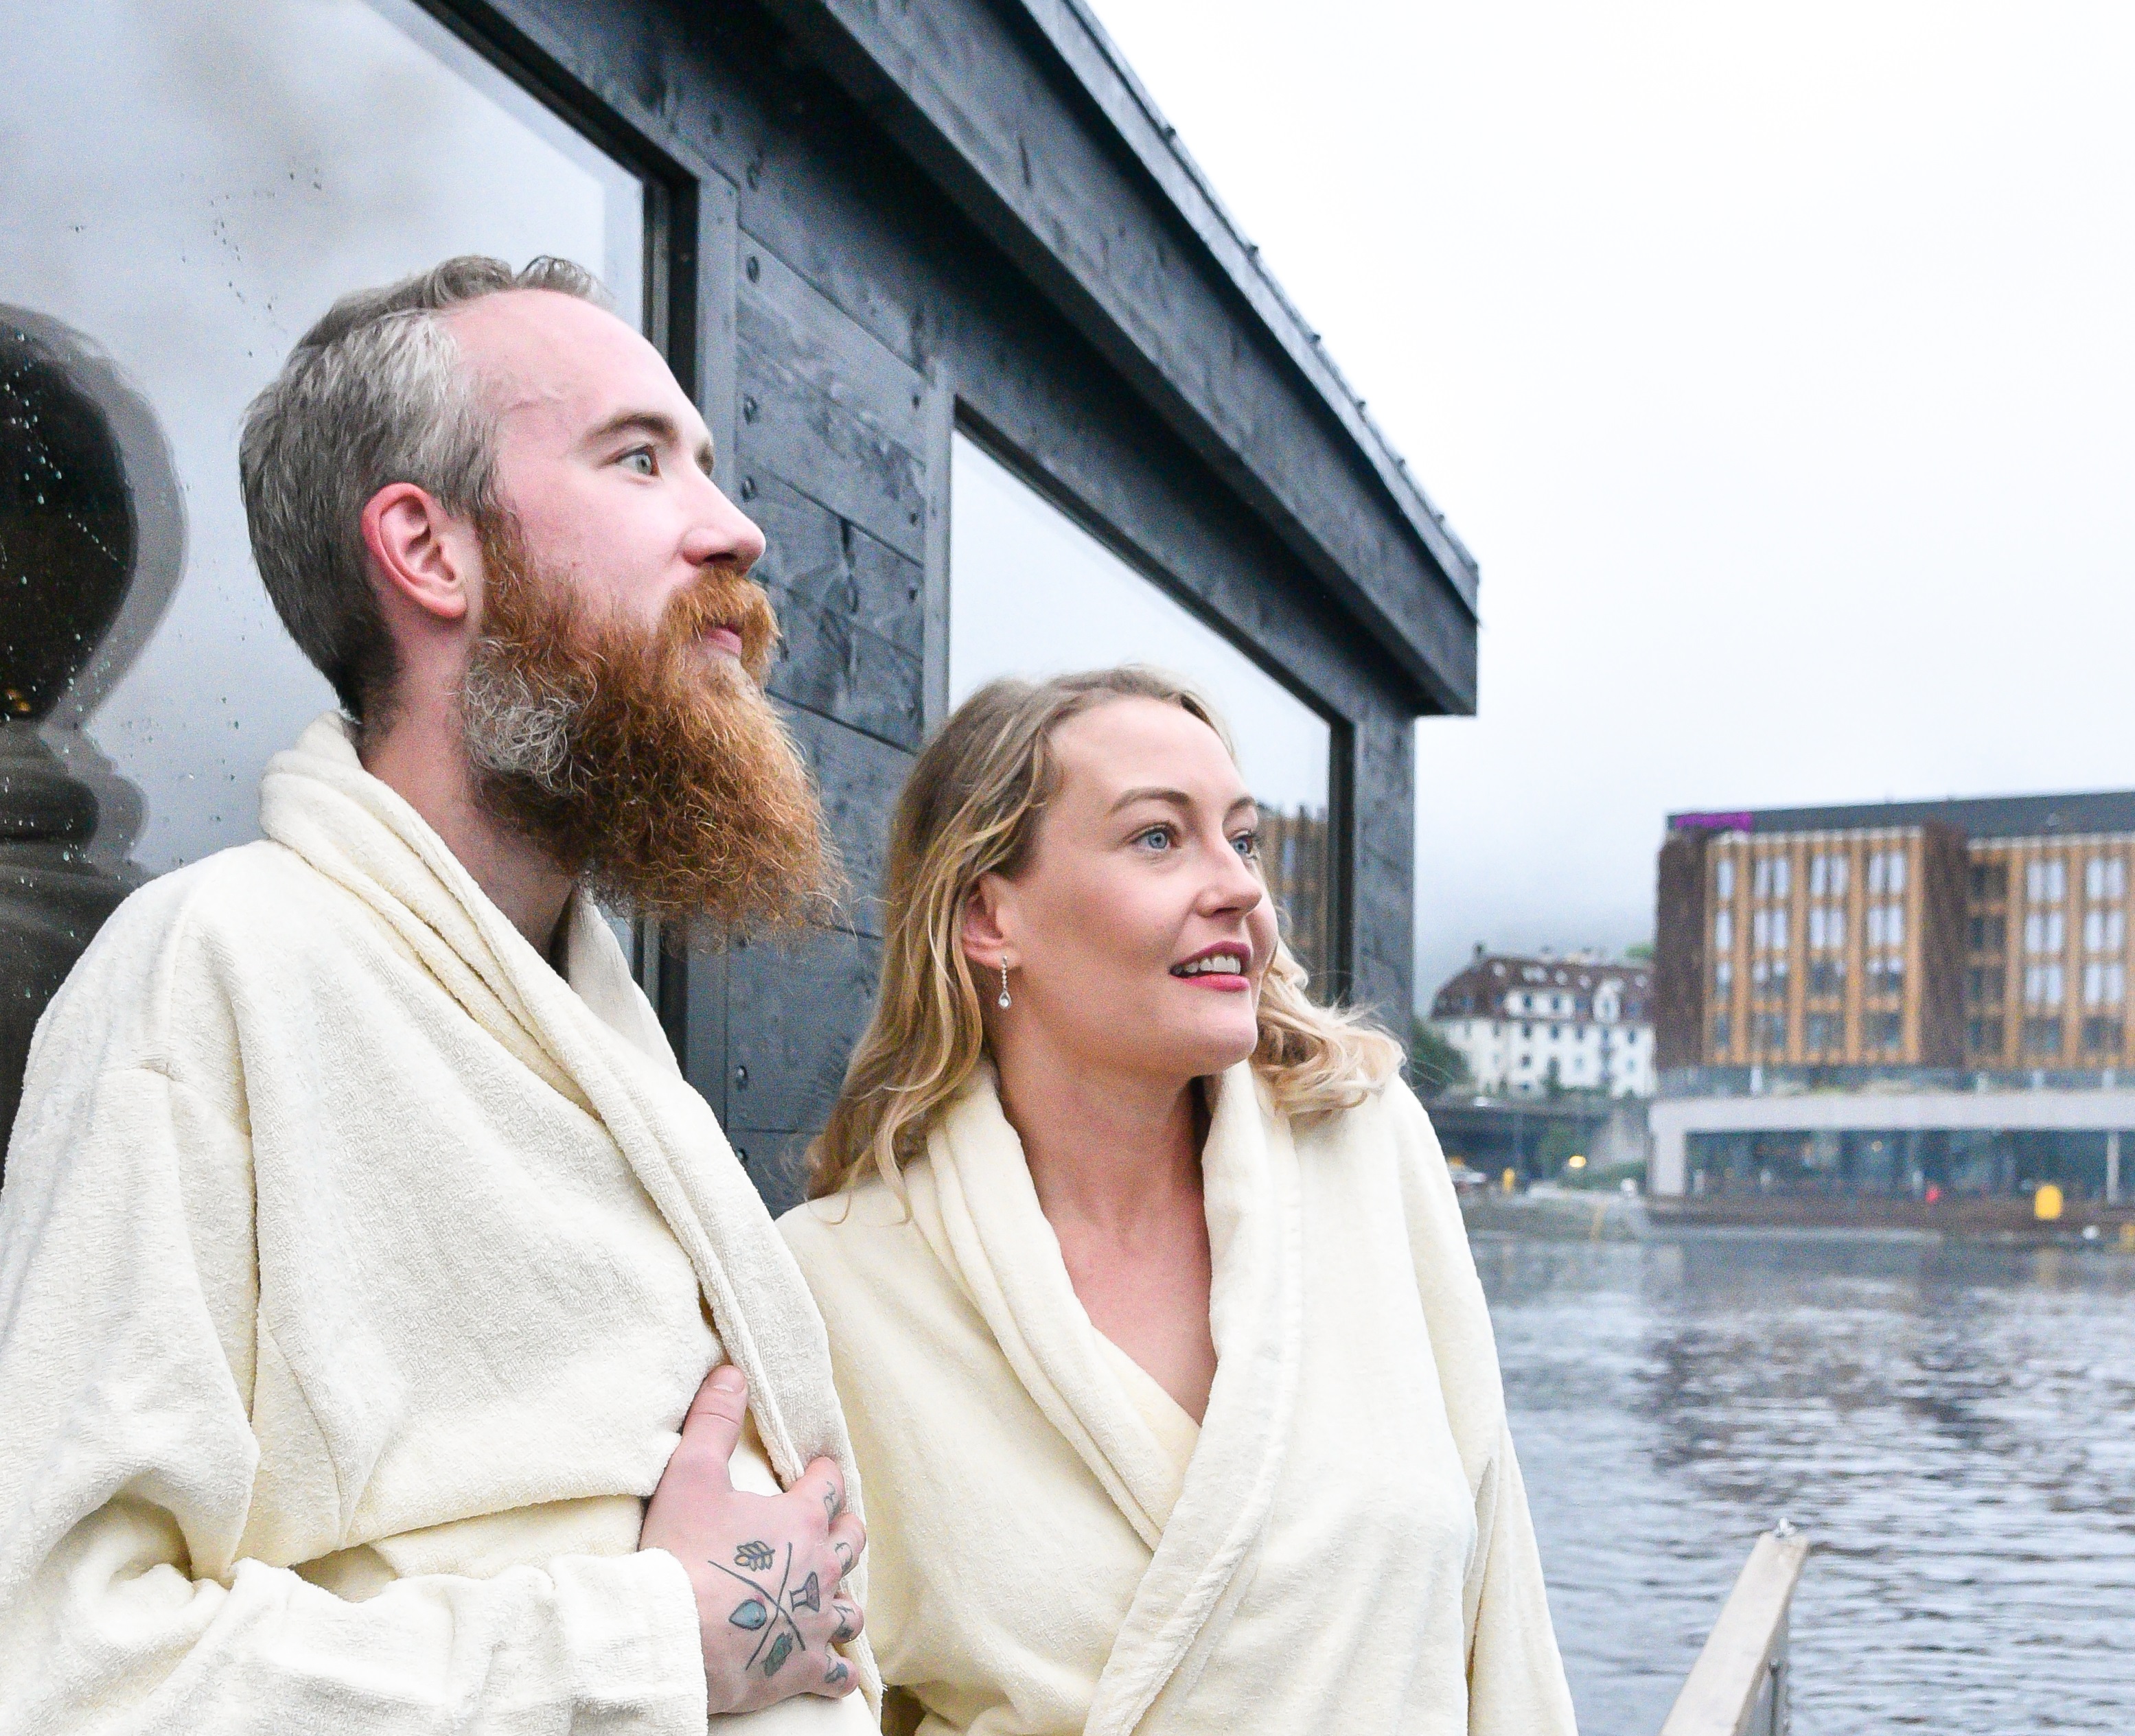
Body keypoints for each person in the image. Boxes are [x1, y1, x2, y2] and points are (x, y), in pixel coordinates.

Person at [0, 257, 879, 1731]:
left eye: (706, 467)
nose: (738, 529)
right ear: (428, 547)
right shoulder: (211, 971)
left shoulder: (595, 1023)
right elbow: (68, 1670)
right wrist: (650, 1640)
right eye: (639, 459)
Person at [780, 668, 1578, 1735]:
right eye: (1159, 838)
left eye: (1241, 840)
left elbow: (1502, 1608)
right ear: (988, 914)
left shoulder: (1367, 1150)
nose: (1241, 886)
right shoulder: (837, 1285)